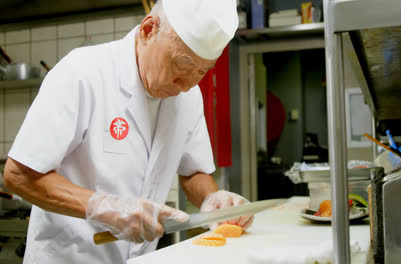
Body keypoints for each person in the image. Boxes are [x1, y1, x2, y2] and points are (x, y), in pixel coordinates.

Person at [2, 0, 253, 263]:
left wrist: (213, 199)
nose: (188, 85)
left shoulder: (188, 98)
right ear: (148, 31)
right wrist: (103, 207)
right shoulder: (82, 73)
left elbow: (193, 171)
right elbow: (18, 174)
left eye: (202, 72)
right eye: (181, 66)